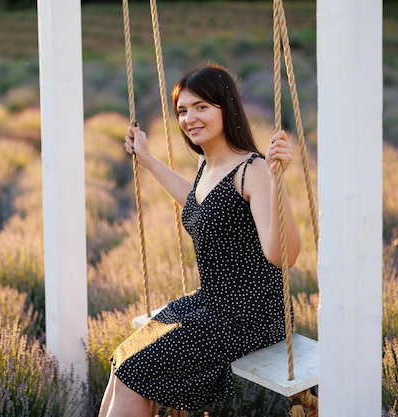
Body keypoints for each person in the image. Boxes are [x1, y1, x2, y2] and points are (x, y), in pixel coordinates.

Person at [99, 64, 301, 416]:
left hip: (253, 312)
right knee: (123, 361)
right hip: (212, 301)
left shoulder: (253, 170)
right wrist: (147, 160)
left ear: (227, 108)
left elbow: (282, 256)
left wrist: (278, 182)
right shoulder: (207, 167)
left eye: (201, 107)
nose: (189, 118)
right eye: (182, 110)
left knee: (135, 374)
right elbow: (197, 203)